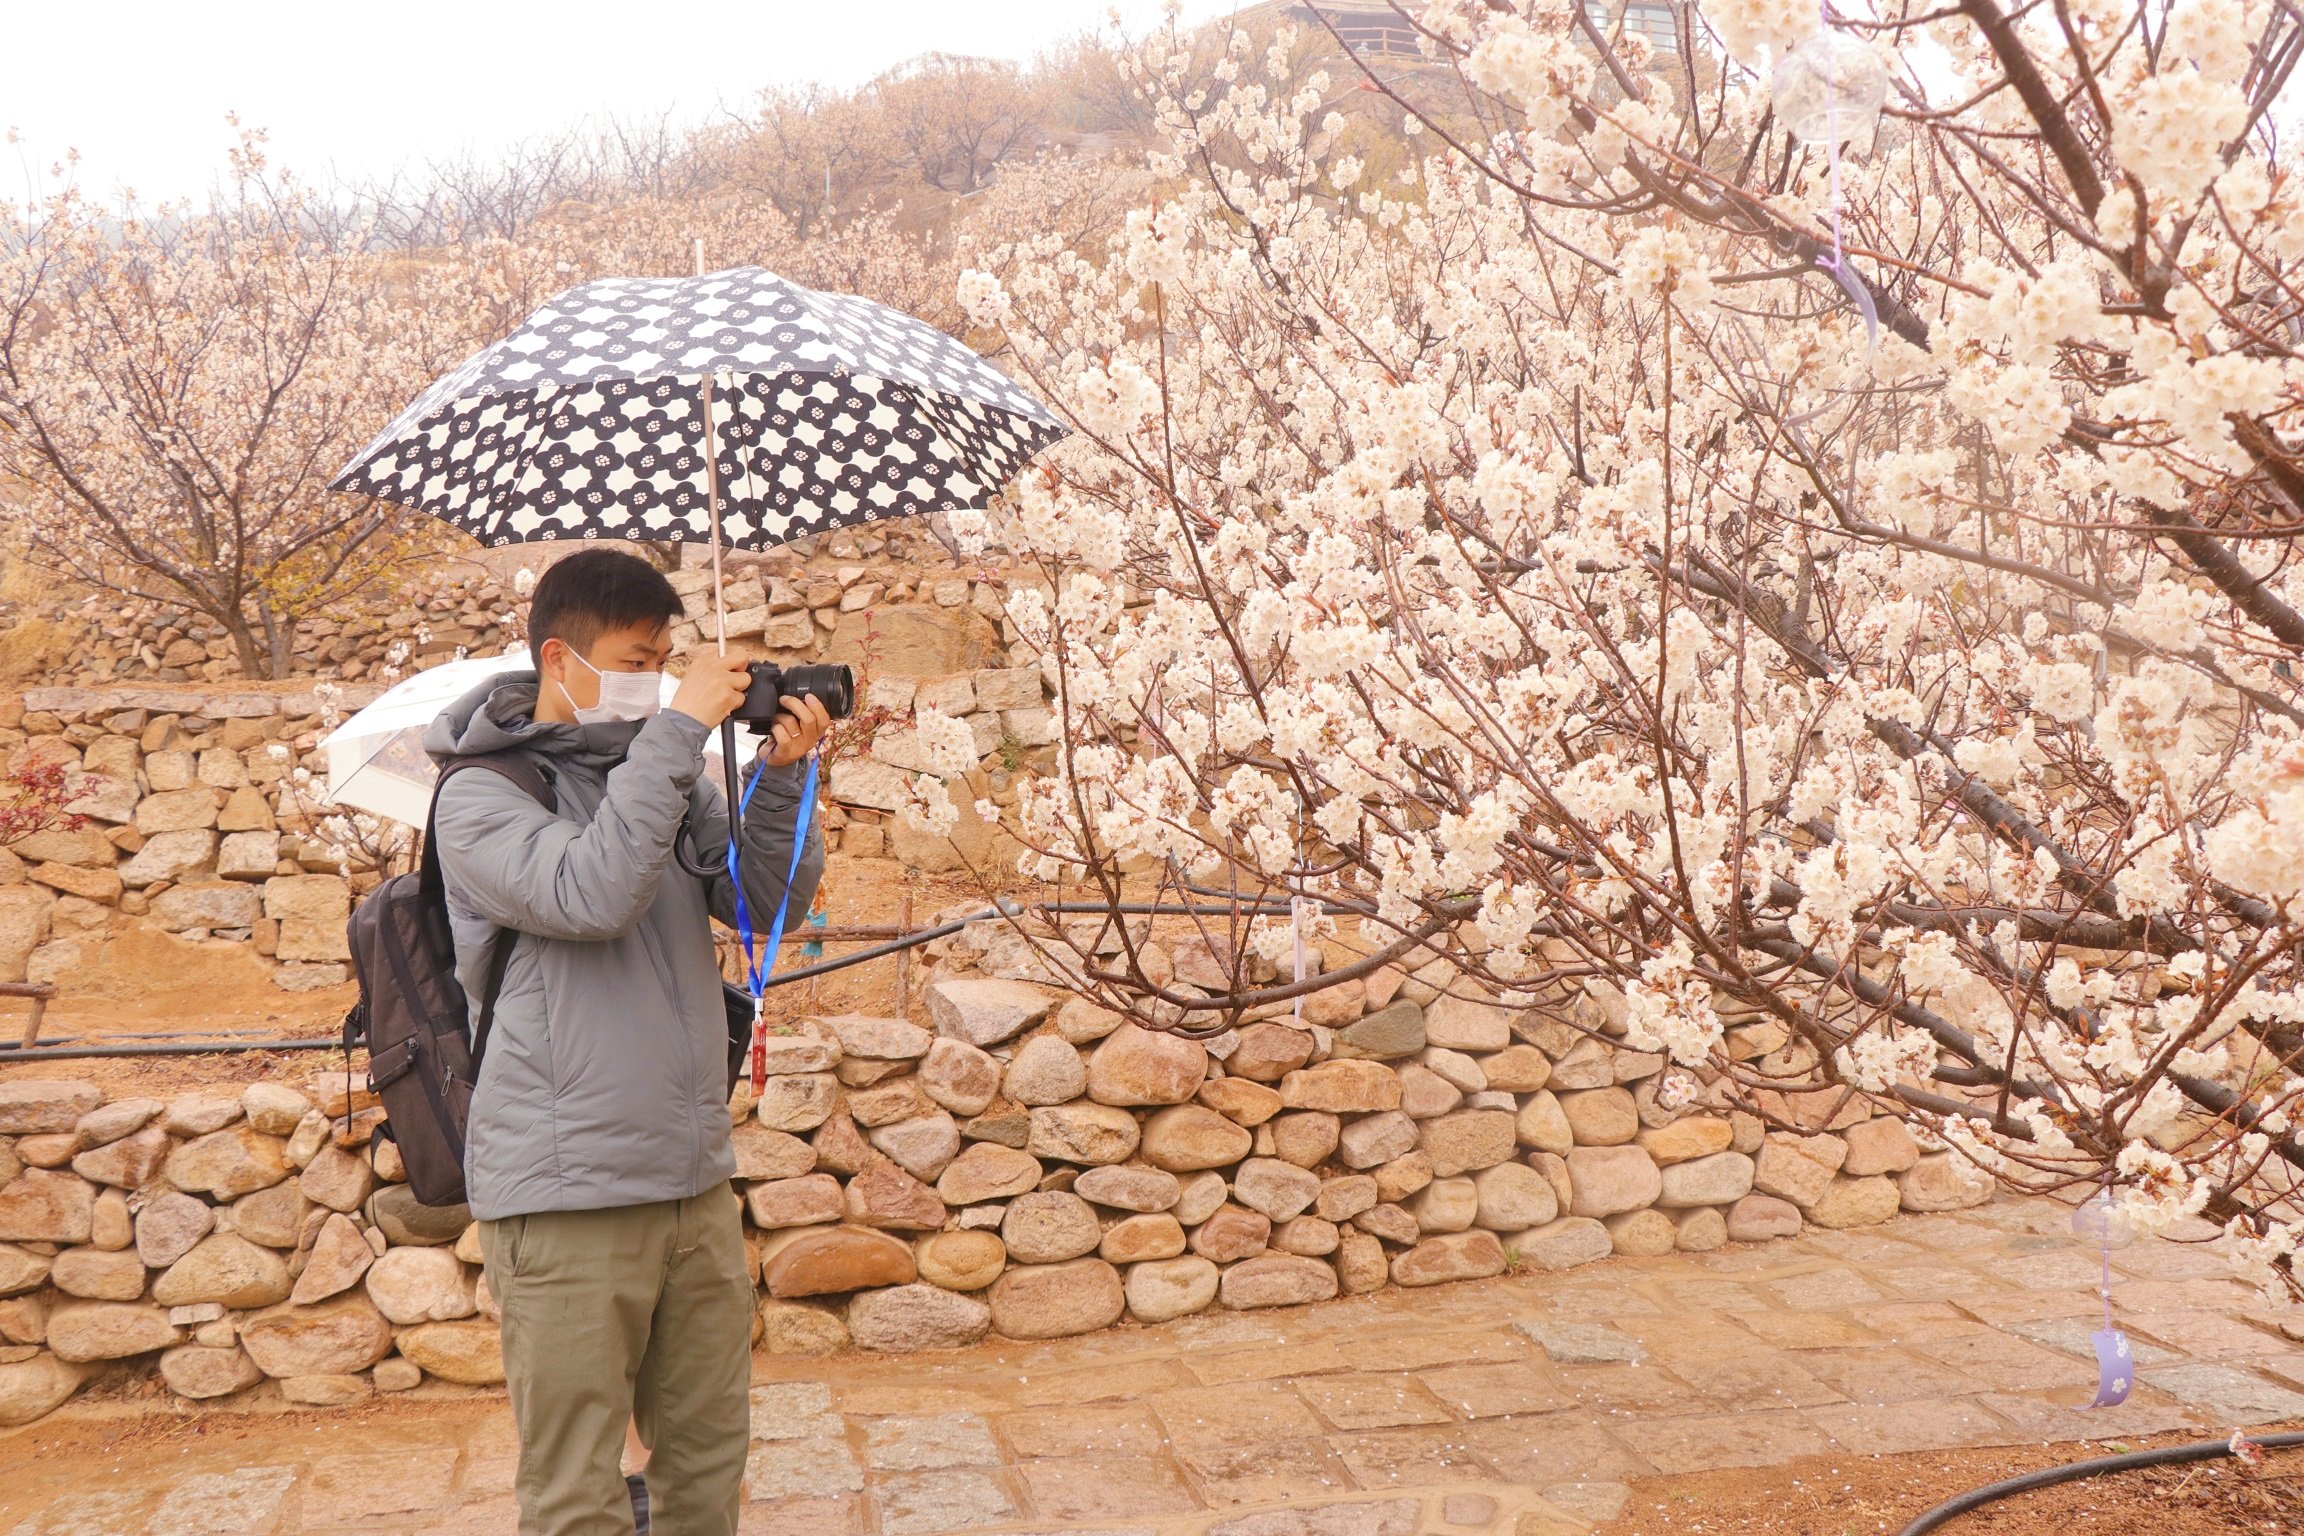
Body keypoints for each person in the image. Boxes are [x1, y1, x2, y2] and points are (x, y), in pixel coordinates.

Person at [423, 548, 829, 1536]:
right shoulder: (481, 797)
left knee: (704, 1473)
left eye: (665, 660)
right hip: (567, 1197)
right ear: (560, 659)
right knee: (577, 1496)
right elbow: (591, 893)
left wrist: (781, 780)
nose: (657, 679)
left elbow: (761, 902)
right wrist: (682, 726)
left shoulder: (668, 779)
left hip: (689, 1181)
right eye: (637, 659)